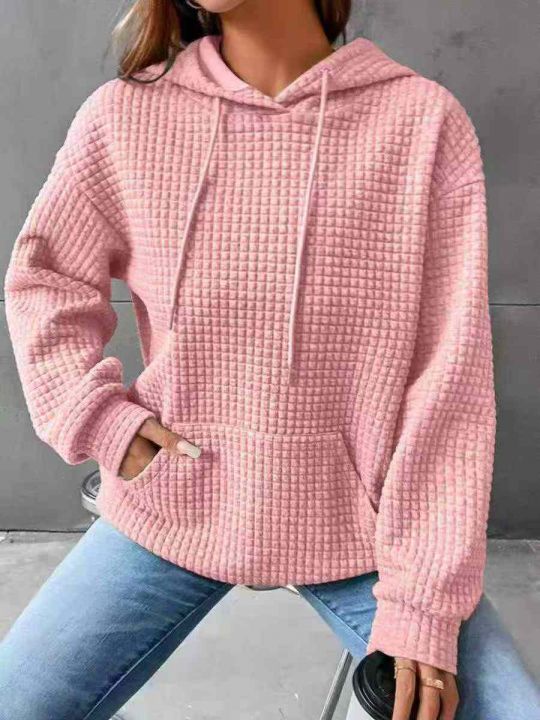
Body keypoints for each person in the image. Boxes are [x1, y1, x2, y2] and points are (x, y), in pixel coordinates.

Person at [1, 1, 539, 718]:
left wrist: (423, 605)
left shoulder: (421, 123)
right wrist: (98, 418)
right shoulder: (126, 117)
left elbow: (450, 382)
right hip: (176, 499)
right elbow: (45, 279)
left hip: (360, 528)